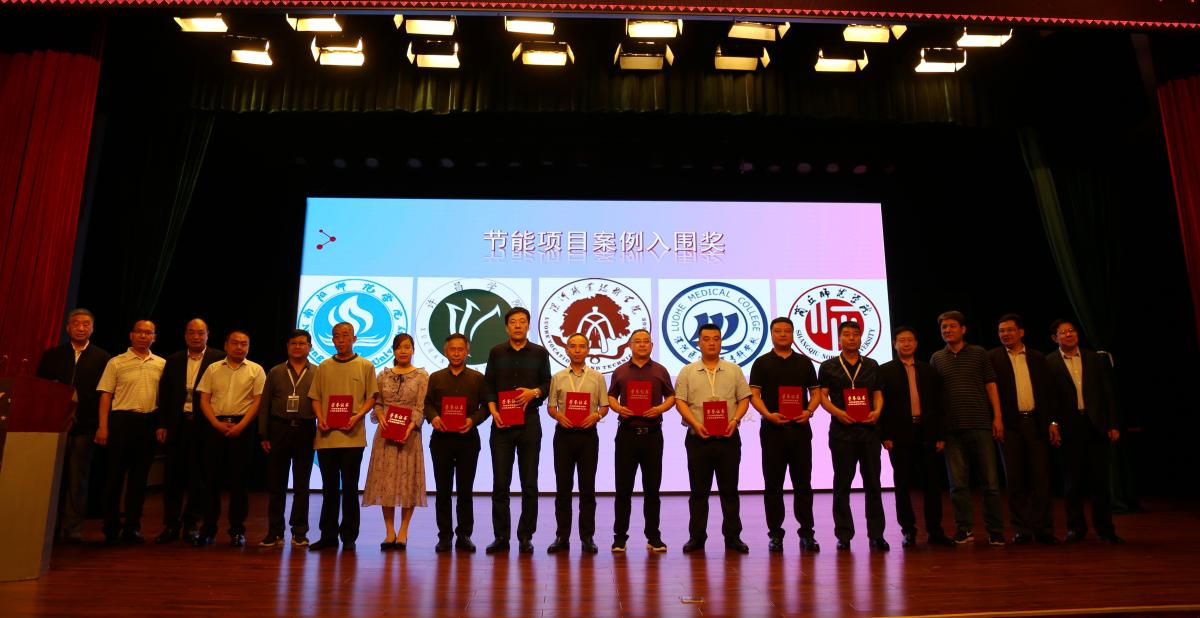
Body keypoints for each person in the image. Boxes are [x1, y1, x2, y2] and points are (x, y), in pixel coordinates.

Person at [674, 323, 752, 554]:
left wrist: (735, 420)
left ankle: (733, 537)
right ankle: (697, 537)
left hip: (728, 438)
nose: (711, 343)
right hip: (698, 438)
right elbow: (680, 401)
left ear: (721, 342)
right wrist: (695, 423)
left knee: (730, 491)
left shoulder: (734, 370)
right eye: (706, 339)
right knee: (699, 492)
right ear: (698, 342)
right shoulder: (687, 371)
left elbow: (744, 398)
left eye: (716, 338)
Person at [930, 310, 1006, 546]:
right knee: (957, 485)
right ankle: (964, 529)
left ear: (963, 329)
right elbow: (934, 397)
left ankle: (996, 531)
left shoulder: (979, 353)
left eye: (952, 326)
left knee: (990, 483)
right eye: (944, 327)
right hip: (951, 430)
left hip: (980, 424)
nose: (948, 330)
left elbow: (990, 384)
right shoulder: (937, 358)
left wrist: (997, 417)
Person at [1046, 319, 1123, 544]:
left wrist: (1113, 423)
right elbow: (1048, 398)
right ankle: (1076, 528)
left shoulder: (1094, 358)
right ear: (1055, 338)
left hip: (1095, 425)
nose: (1069, 334)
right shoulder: (1049, 362)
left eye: (1072, 330)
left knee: (1100, 482)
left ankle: (1105, 529)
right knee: (1072, 483)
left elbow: (1107, 393)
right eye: (1063, 332)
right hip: (1069, 427)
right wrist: (1052, 423)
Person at [37, 308, 110, 544]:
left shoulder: (103, 358)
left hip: (85, 426)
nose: (81, 328)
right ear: (68, 328)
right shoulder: (52, 355)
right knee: (50, 477)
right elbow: (41, 390)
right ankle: (47, 526)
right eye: (76, 324)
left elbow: (104, 395)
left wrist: (101, 426)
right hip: (54, 426)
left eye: (86, 324)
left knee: (78, 479)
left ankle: (73, 528)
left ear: (92, 328)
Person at [749, 317, 822, 553]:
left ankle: (807, 534)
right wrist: (768, 415)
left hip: (800, 430)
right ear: (771, 334)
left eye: (787, 331)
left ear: (792, 334)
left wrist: (808, 411)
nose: (782, 334)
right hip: (772, 430)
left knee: (803, 484)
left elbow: (816, 393)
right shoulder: (762, 363)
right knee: (773, 485)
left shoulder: (804, 362)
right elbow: (754, 395)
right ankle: (775, 535)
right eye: (778, 331)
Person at [483, 307, 551, 555]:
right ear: (507, 327)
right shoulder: (496, 352)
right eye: (513, 322)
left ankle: (525, 536)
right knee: (500, 483)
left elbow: (547, 383)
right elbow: (488, 385)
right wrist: (494, 412)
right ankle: (501, 536)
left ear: (528, 325)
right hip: (501, 423)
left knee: (529, 483)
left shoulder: (540, 353)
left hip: (529, 422)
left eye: (522, 321)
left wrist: (534, 392)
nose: (518, 325)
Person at [988, 314, 1059, 545]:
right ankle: (1022, 529)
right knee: (1015, 480)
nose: (1005, 334)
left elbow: (1049, 392)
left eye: (1009, 330)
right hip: (1009, 425)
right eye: (1001, 331)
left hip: (1036, 423)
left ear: (1021, 332)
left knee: (1041, 479)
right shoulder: (993, 358)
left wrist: (1053, 422)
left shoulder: (1038, 357)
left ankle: (1043, 528)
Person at [879, 326, 953, 547]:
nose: (906, 343)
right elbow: (882, 407)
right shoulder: (884, 371)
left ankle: (935, 530)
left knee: (932, 484)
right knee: (902, 484)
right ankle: (908, 530)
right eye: (901, 340)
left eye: (910, 339)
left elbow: (939, 405)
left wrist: (940, 434)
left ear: (916, 343)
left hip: (927, 432)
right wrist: (885, 435)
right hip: (899, 435)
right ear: (895, 344)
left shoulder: (928, 370)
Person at [308, 321, 379, 552]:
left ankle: (349, 536)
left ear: (354, 338)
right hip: (326, 436)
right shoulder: (324, 366)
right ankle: (328, 535)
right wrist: (320, 417)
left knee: (349, 487)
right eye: (337, 336)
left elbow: (372, 397)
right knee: (328, 488)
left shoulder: (365, 365)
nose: (341, 340)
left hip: (352, 436)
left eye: (345, 335)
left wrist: (357, 416)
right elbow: (315, 397)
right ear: (332, 339)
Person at [94, 319, 166, 545]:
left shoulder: (161, 364)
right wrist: (103, 426)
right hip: (121, 422)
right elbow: (105, 395)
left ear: (154, 337)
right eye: (139, 332)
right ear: (131, 335)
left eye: (148, 333)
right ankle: (111, 527)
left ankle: (132, 528)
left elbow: (165, 398)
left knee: (139, 481)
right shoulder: (116, 362)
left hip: (148, 423)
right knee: (113, 478)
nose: (144, 336)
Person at [819, 320, 888, 552]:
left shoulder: (871, 365)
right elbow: (822, 397)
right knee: (842, 485)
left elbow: (878, 394)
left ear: (860, 338)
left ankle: (877, 535)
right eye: (846, 334)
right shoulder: (828, 366)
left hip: (869, 432)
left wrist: (877, 412)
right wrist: (838, 413)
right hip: (842, 433)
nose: (851, 338)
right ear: (839, 339)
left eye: (855, 334)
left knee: (873, 484)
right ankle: (844, 534)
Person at [155, 318, 224, 545]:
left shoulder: (218, 359)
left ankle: (192, 523)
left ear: (207, 335)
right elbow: (164, 394)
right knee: (172, 477)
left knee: (199, 478)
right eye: (192, 332)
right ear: (185, 335)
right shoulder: (174, 360)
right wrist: (162, 423)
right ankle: (171, 524)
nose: (196, 336)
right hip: (177, 424)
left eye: (200, 333)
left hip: (204, 425)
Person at [195, 330, 265, 548]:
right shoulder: (213, 368)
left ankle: (237, 531)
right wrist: (216, 424)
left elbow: (258, 401)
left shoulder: (256, 370)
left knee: (239, 482)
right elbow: (204, 400)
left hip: (243, 429)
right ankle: (208, 529)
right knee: (211, 481)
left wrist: (241, 426)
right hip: (215, 428)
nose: (239, 347)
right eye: (235, 343)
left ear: (248, 347)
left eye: (244, 344)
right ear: (226, 345)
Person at [607, 328, 674, 553]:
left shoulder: (660, 370)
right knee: (623, 490)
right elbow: (611, 396)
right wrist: (618, 408)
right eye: (638, 341)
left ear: (651, 346)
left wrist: (660, 408)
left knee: (652, 490)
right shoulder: (620, 371)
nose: (642, 344)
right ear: (630, 345)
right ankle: (620, 538)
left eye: (646, 341)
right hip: (626, 435)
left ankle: (653, 537)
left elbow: (671, 396)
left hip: (652, 435)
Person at [424, 333, 490, 553]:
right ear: (445, 351)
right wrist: (433, 417)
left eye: (460, 349)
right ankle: (444, 536)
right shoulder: (435, 377)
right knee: (442, 491)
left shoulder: (477, 378)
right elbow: (427, 404)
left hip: (468, 440)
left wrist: (473, 420)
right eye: (452, 349)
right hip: (441, 440)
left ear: (467, 351)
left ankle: (464, 535)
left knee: (465, 490)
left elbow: (486, 407)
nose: (456, 353)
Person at [363, 334, 429, 551]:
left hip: (410, 435)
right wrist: (381, 415)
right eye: (399, 347)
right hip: (385, 434)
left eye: (407, 347)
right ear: (393, 350)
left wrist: (409, 428)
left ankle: (403, 531)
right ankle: (389, 531)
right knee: (386, 482)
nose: (403, 351)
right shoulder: (383, 375)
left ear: (413, 350)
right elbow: (377, 403)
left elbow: (421, 407)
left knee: (408, 482)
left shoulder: (422, 376)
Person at [545, 333, 609, 555]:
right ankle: (562, 536)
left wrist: (597, 416)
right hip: (563, 436)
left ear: (588, 350)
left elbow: (604, 406)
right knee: (563, 489)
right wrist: (558, 416)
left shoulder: (597, 377)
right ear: (567, 349)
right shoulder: (558, 377)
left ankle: (587, 537)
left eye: (582, 346)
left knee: (587, 489)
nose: (578, 350)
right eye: (573, 346)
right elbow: (551, 406)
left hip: (588, 437)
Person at [258, 329, 318, 548]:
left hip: (306, 430)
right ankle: (275, 532)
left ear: (310, 347)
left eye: (302, 343)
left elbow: (322, 404)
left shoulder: (317, 372)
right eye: (293, 343)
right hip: (279, 429)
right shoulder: (275, 372)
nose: (297, 347)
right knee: (277, 484)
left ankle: (299, 532)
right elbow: (265, 404)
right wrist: (264, 434)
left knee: (302, 484)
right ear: (287, 346)